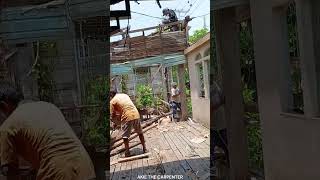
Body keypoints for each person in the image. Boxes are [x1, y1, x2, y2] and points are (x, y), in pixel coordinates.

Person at [0, 81, 95, 180]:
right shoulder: (49, 107)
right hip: (85, 167)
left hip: (57, 172)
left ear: (4, 106)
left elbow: (10, 171)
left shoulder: (7, 127)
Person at [110, 90, 147, 157]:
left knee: (125, 136)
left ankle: (127, 152)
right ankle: (144, 148)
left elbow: (112, 116)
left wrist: (115, 123)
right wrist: (118, 121)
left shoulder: (112, 101)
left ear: (111, 95)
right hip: (136, 114)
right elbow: (124, 108)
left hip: (127, 116)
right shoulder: (124, 95)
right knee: (140, 133)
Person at [211, 81, 229, 166]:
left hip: (221, 122)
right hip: (214, 124)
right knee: (213, 145)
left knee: (225, 144)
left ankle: (228, 162)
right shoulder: (209, 88)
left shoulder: (216, 85)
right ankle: (212, 164)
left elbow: (223, 99)